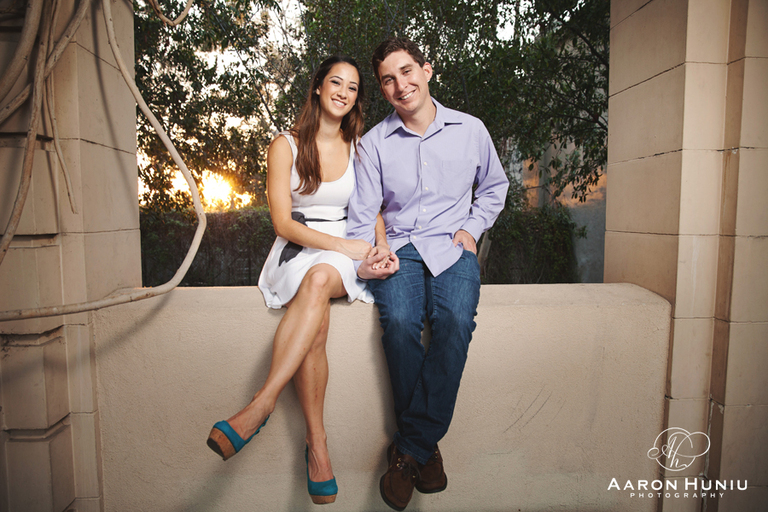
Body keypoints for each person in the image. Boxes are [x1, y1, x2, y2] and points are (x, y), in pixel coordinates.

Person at [207, 55, 378, 505]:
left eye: (353, 87)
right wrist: (342, 247)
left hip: (344, 253)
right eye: (335, 82)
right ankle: (317, 445)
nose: (343, 92)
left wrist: (377, 250)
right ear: (318, 88)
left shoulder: (360, 146)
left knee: (321, 279)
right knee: (315, 320)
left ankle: (260, 404)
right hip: (300, 247)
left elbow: (376, 210)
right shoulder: (284, 144)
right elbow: (283, 223)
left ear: (357, 98)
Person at [346, 37, 510, 511]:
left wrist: (473, 229)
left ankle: (409, 449)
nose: (400, 85)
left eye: (407, 72)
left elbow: (495, 189)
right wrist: (368, 257)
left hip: (453, 247)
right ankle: (425, 450)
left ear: (427, 70)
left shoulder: (471, 130)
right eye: (388, 80)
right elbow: (362, 216)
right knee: (398, 324)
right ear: (382, 89)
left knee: (455, 322)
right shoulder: (373, 144)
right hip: (398, 249)